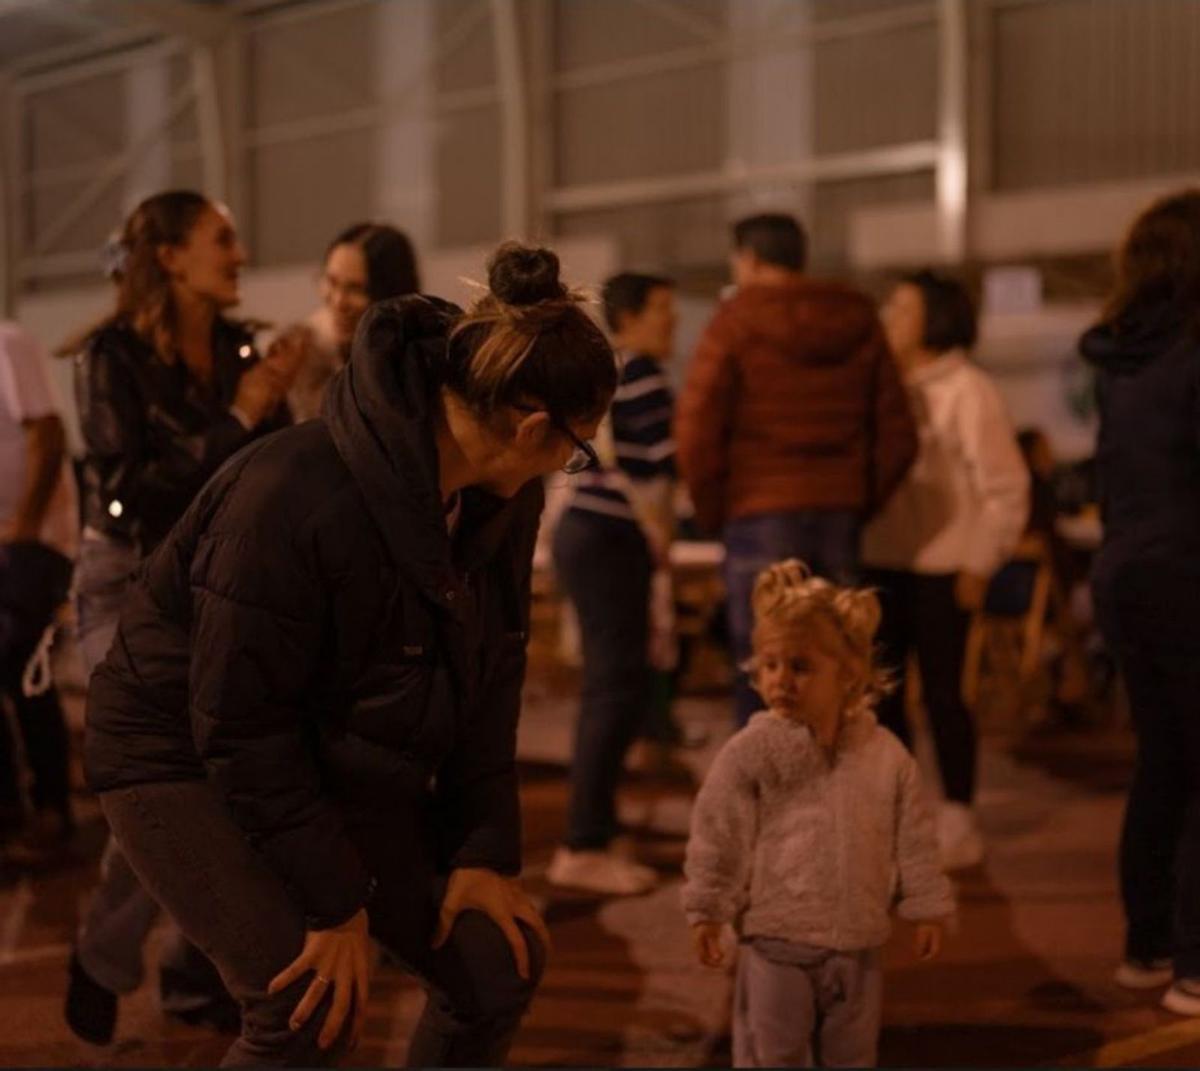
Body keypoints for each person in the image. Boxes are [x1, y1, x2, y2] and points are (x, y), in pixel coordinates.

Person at [83, 242, 617, 1065]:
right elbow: (237, 720)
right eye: (577, 447)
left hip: (311, 744)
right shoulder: (293, 492)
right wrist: (334, 905)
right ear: (533, 426)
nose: (570, 465)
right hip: (174, 749)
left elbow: (492, 676)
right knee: (305, 1007)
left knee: (494, 962)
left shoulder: (503, 500)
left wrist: (480, 855)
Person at [63, 190, 305, 1044]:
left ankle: (179, 967)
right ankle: (106, 955)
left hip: (210, 581)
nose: (239, 253)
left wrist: (281, 401)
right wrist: (242, 411)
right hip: (125, 580)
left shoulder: (241, 347)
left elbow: (264, 477)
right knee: (153, 771)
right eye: (222, 238)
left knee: (205, 776)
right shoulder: (111, 357)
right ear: (168, 255)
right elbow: (127, 492)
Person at [683, 559, 954, 1068]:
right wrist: (708, 907)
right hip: (776, 942)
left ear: (849, 672)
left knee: (852, 1056)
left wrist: (926, 903)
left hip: (858, 944)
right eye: (770, 665)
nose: (781, 679)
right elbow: (718, 834)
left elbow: (913, 835)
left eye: (800, 666)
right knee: (775, 1054)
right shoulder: (752, 751)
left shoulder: (883, 754)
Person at [676, 213, 917, 727]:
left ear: (749, 259)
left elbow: (697, 426)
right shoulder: (858, 319)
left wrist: (716, 510)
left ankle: (766, 795)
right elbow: (898, 431)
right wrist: (857, 498)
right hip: (839, 513)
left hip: (756, 510)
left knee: (763, 663)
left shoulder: (735, 320)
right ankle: (842, 794)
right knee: (842, 662)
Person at [862, 271, 1029, 870]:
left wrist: (981, 562)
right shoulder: (880, 386)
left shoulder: (968, 390)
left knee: (943, 696)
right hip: (880, 563)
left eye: (901, 307)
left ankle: (958, 814)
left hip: (943, 568)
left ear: (934, 320)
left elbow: (1006, 488)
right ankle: (899, 811)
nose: (888, 315)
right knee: (882, 699)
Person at [1079, 189, 1200, 1015]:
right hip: (1189, 570)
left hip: (1123, 573)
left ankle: (1147, 943)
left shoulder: (1125, 356)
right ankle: (1195, 964)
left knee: (1163, 759)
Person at [548, 271, 678, 896]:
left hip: (586, 529)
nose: (672, 321)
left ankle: (596, 825)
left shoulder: (614, 372)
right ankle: (583, 841)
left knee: (613, 683)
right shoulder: (645, 374)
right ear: (627, 318)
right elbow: (658, 470)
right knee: (613, 686)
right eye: (661, 309)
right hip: (610, 533)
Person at [0, 319, 77, 863]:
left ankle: (54, 813)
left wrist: (24, 531)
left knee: (22, 665)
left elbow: (48, 435)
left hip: (33, 541)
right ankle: (11, 814)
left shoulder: (6, 341)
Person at [288, 222, 420, 422]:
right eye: (332, 282)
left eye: (356, 289)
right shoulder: (305, 349)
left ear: (390, 293)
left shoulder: (414, 362)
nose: (339, 301)